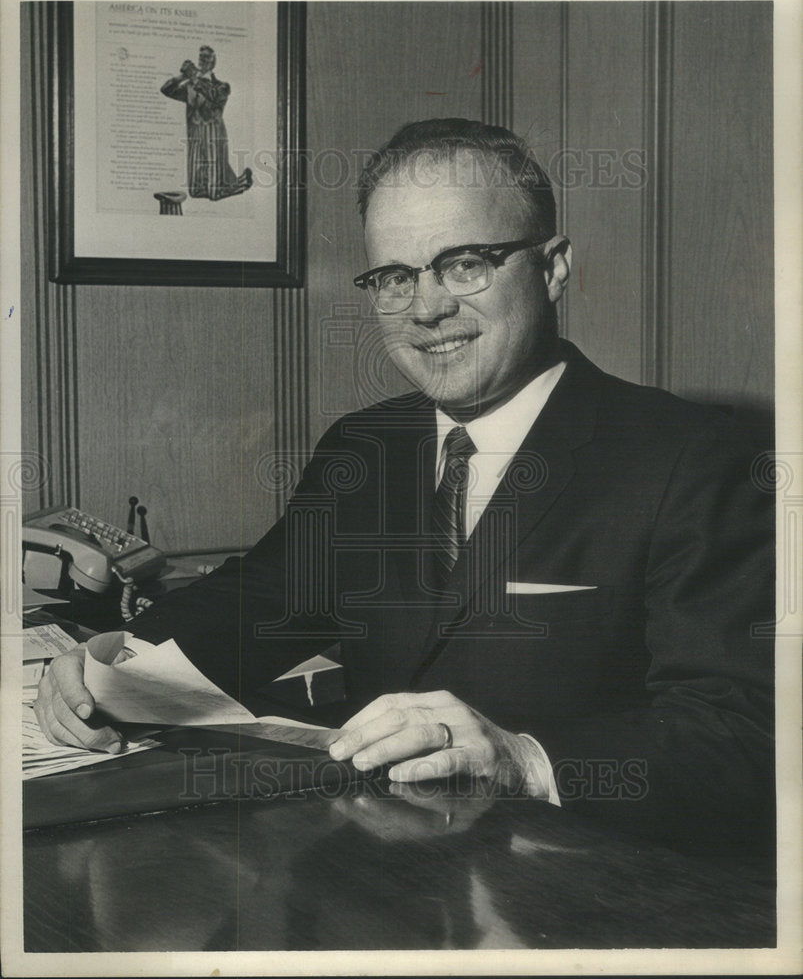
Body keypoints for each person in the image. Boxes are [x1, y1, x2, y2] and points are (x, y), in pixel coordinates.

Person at [35, 118, 774, 835]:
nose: (426, 308)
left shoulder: (694, 457)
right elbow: (260, 600)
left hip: (585, 880)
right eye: (394, 276)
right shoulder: (368, 445)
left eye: (465, 263)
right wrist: (103, 663)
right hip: (374, 865)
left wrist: (521, 760)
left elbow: (743, 736)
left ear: (552, 268)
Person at [160, 45, 252, 201]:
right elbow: (166, 90)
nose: (202, 59)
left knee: (214, 192)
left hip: (213, 133)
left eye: (207, 57)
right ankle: (238, 183)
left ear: (213, 61)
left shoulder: (222, 86)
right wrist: (182, 76)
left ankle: (239, 184)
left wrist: (194, 75)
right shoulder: (191, 85)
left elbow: (213, 96)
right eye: (200, 56)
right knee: (195, 191)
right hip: (195, 133)